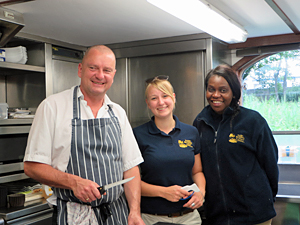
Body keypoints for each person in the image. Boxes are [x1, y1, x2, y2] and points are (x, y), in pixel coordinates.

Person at [23, 45, 145, 225]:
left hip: (117, 214)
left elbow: (131, 167)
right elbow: (32, 166)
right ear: (81, 69)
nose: (100, 75)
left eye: (107, 70)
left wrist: (134, 212)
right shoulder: (53, 107)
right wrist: (73, 182)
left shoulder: (118, 112)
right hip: (75, 215)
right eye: (93, 67)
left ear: (113, 75)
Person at [193, 65, 279, 225]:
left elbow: (270, 164)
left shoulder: (252, 121)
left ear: (233, 92)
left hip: (254, 213)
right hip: (217, 215)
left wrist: (267, 198)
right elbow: (199, 167)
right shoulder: (200, 123)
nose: (216, 95)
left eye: (223, 90)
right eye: (211, 89)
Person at [133, 75, 205, 225]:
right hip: (152, 218)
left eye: (165, 96)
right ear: (148, 103)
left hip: (189, 218)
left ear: (173, 98)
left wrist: (201, 193)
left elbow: (197, 172)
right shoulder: (137, 135)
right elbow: (131, 182)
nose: (160, 102)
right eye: (154, 98)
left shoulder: (191, 132)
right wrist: (163, 192)